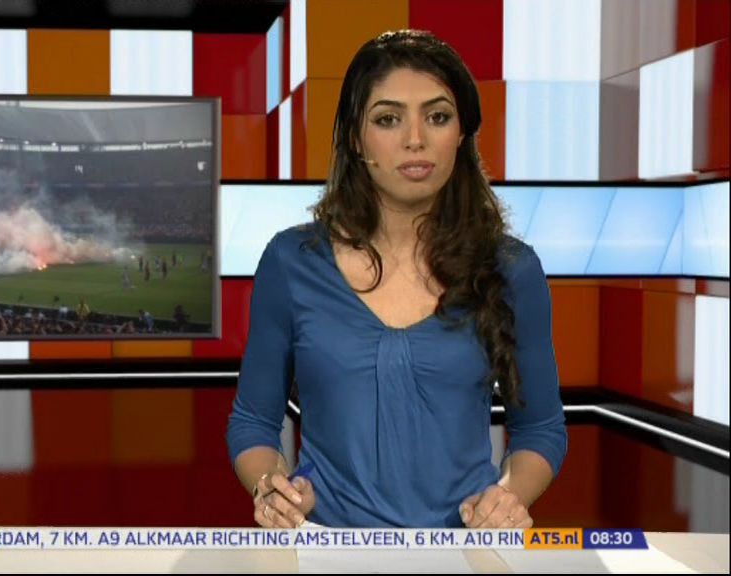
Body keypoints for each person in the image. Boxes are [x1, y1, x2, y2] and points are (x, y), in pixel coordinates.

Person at [226, 30, 567, 530]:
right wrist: (270, 487)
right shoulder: (291, 262)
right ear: (356, 138)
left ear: (461, 134)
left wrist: (509, 497)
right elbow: (253, 421)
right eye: (388, 119)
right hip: (326, 550)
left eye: (437, 117)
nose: (415, 139)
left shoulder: (511, 268)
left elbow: (541, 427)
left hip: (463, 550)